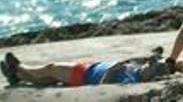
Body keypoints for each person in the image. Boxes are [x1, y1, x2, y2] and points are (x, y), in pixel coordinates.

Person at [1, 49, 172, 88]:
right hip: (87, 68)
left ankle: (20, 67)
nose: (150, 63)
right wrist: (152, 57)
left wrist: (111, 72)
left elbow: (104, 88)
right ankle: (17, 77)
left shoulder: (132, 80)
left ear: (153, 75)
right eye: (153, 62)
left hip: (83, 75)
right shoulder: (137, 68)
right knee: (50, 79)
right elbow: (135, 59)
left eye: (154, 65)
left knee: (51, 69)